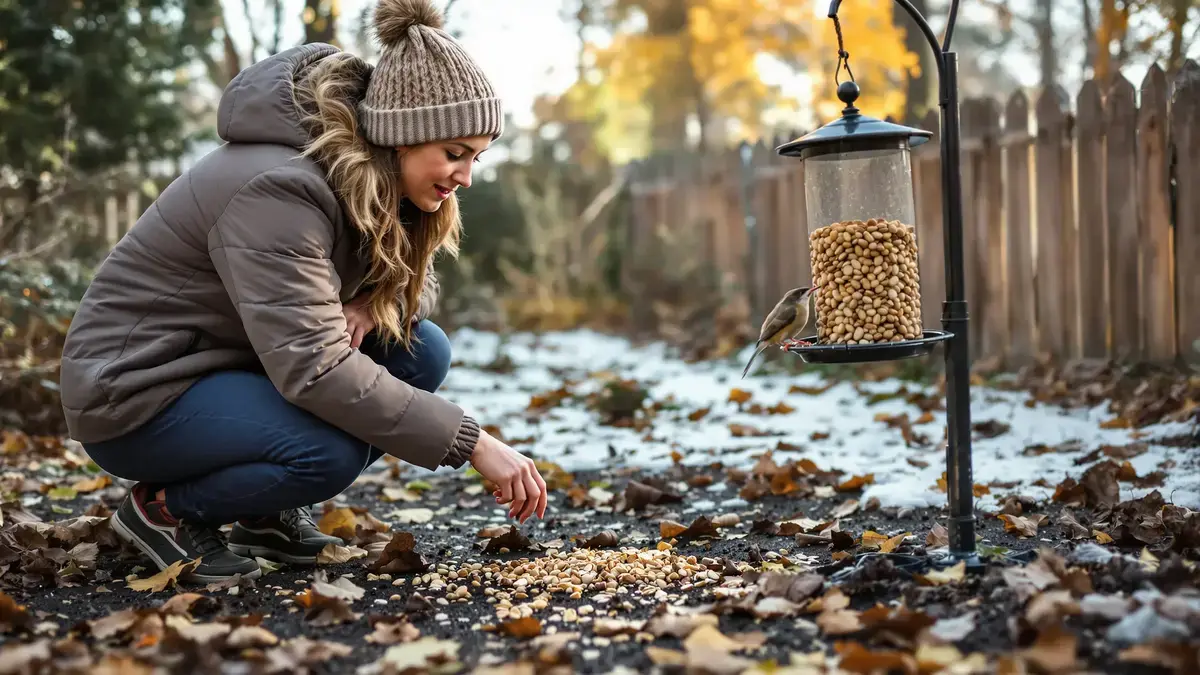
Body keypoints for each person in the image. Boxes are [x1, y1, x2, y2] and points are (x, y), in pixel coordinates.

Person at [58, 0, 548, 584]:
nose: (465, 176)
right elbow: (314, 369)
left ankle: (261, 515)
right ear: (402, 137)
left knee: (422, 350)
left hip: (227, 369)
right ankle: (163, 512)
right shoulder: (280, 189)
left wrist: (372, 302)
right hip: (138, 393)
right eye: (455, 153)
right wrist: (470, 442)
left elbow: (419, 286)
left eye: (477, 157)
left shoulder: (374, 185)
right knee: (327, 454)